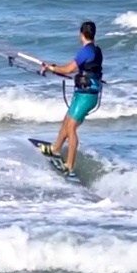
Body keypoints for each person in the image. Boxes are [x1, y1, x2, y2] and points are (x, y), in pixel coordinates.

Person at [38, 21, 103, 176]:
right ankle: (55, 149)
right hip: (84, 93)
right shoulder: (96, 50)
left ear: (81, 34)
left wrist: (51, 68)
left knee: (71, 127)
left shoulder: (86, 51)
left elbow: (69, 68)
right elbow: (88, 70)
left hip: (86, 97)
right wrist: (55, 69)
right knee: (67, 121)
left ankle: (69, 166)